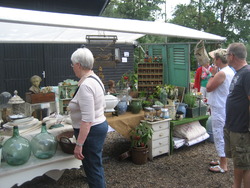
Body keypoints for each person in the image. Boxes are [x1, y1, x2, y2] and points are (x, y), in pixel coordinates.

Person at [68, 47, 108, 188]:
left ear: (78, 65)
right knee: (95, 166)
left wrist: (79, 145)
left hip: (91, 131)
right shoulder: (94, 78)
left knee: (92, 169)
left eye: (73, 65)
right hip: (98, 126)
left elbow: (87, 119)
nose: (73, 68)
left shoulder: (86, 85)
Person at [224, 43, 250, 188]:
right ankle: (236, 185)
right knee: (238, 161)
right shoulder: (239, 73)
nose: (226, 57)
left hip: (242, 129)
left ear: (232, 56)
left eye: (227, 54)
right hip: (234, 127)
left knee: (246, 164)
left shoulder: (247, 74)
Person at [206, 49, 235, 173]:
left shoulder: (221, 73)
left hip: (219, 107)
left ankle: (223, 165)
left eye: (214, 59)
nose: (213, 61)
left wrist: (212, 74)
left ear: (218, 60)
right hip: (224, 106)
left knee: (219, 134)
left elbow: (209, 88)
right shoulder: (229, 71)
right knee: (223, 134)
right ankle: (222, 160)